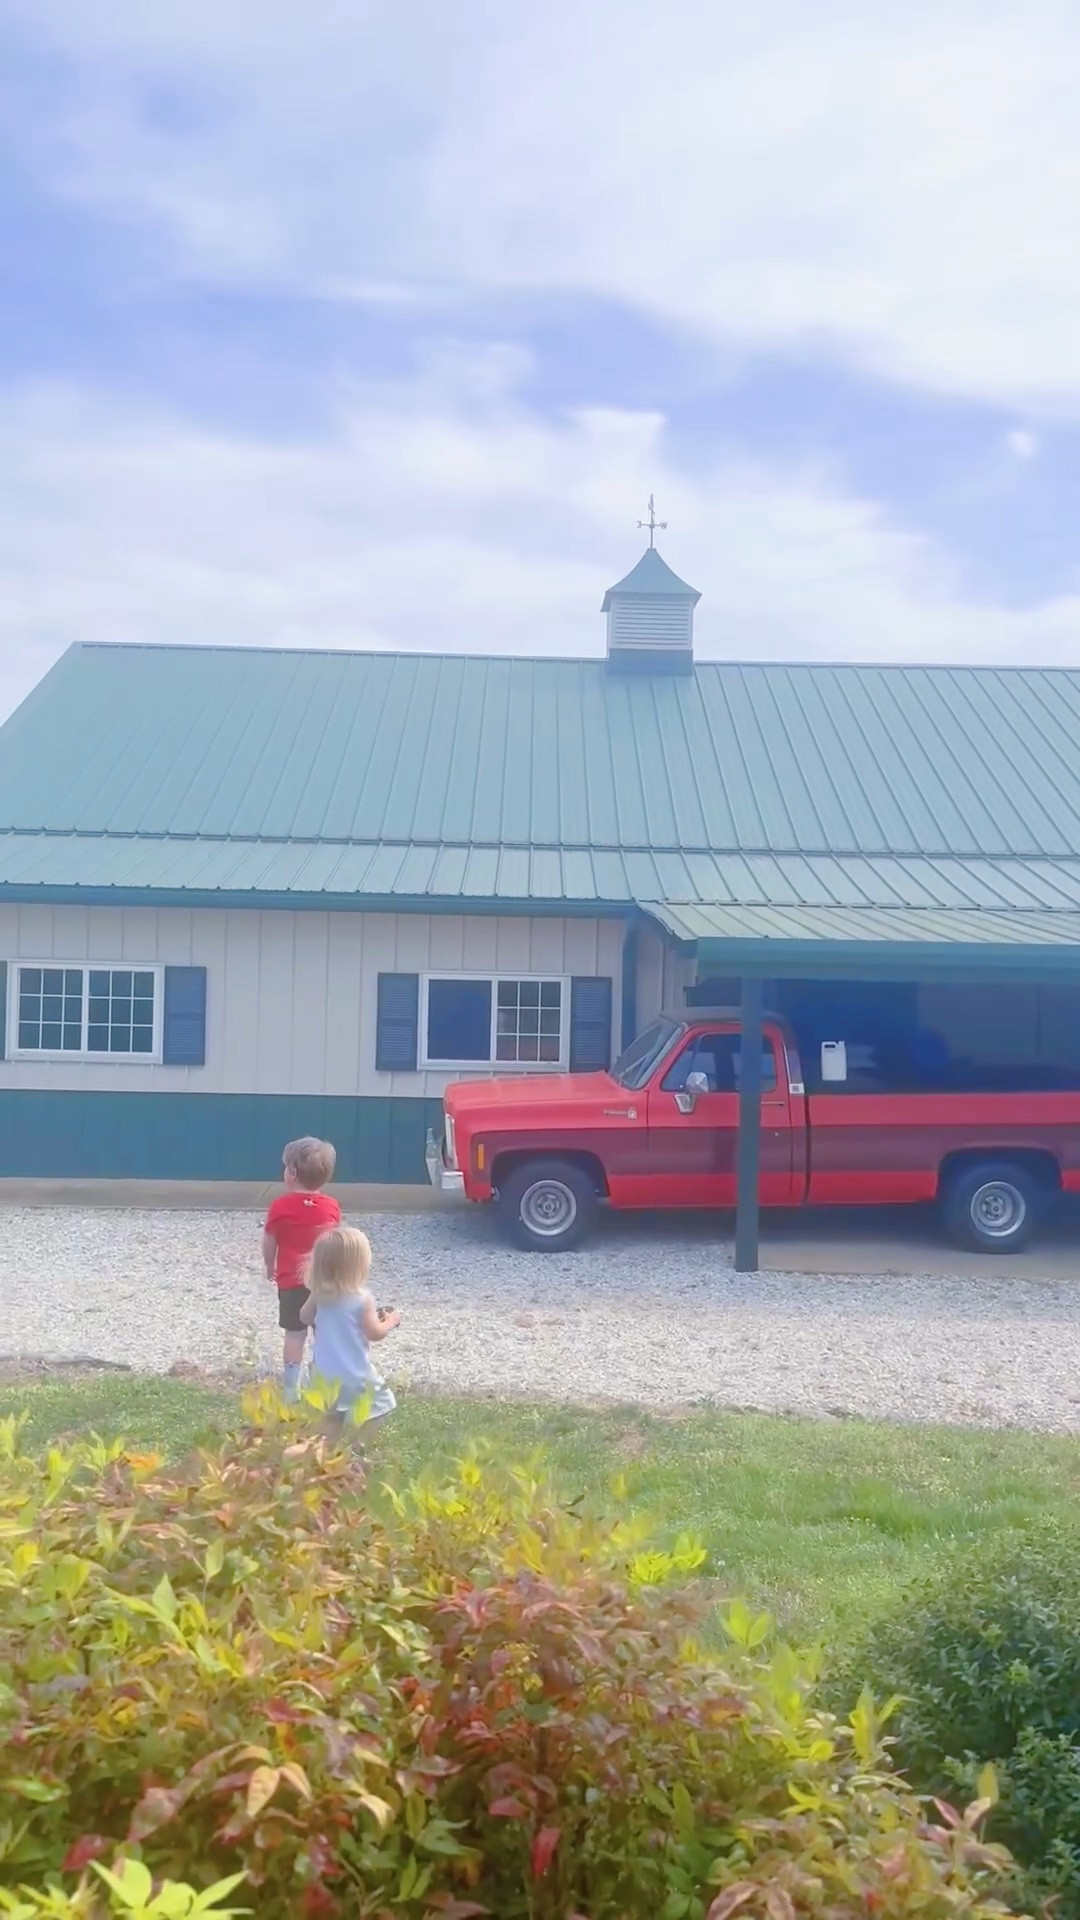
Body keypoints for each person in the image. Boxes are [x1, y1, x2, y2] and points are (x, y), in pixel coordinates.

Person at [298, 1225, 399, 1434]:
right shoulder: (362, 1299)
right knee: (383, 1404)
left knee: (332, 1416)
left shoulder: (319, 1294)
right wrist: (390, 1320)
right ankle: (357, 1448)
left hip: (322, 1373)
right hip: (353, 1372)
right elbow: (374, 1333)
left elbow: (304, 1317)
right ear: (359, 1265)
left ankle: (323, 1455)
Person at [262, 1137, 340, 1401]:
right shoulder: (331, 1207)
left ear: (292, 1173)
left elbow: (270, 1239)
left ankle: (291, 1389)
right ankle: (320, 1383)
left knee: (294, 1334)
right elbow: (333, 1242)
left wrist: (268, 1264)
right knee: (323, 1332)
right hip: (322, 1282)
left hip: (290, 1281)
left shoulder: (280, 1207)